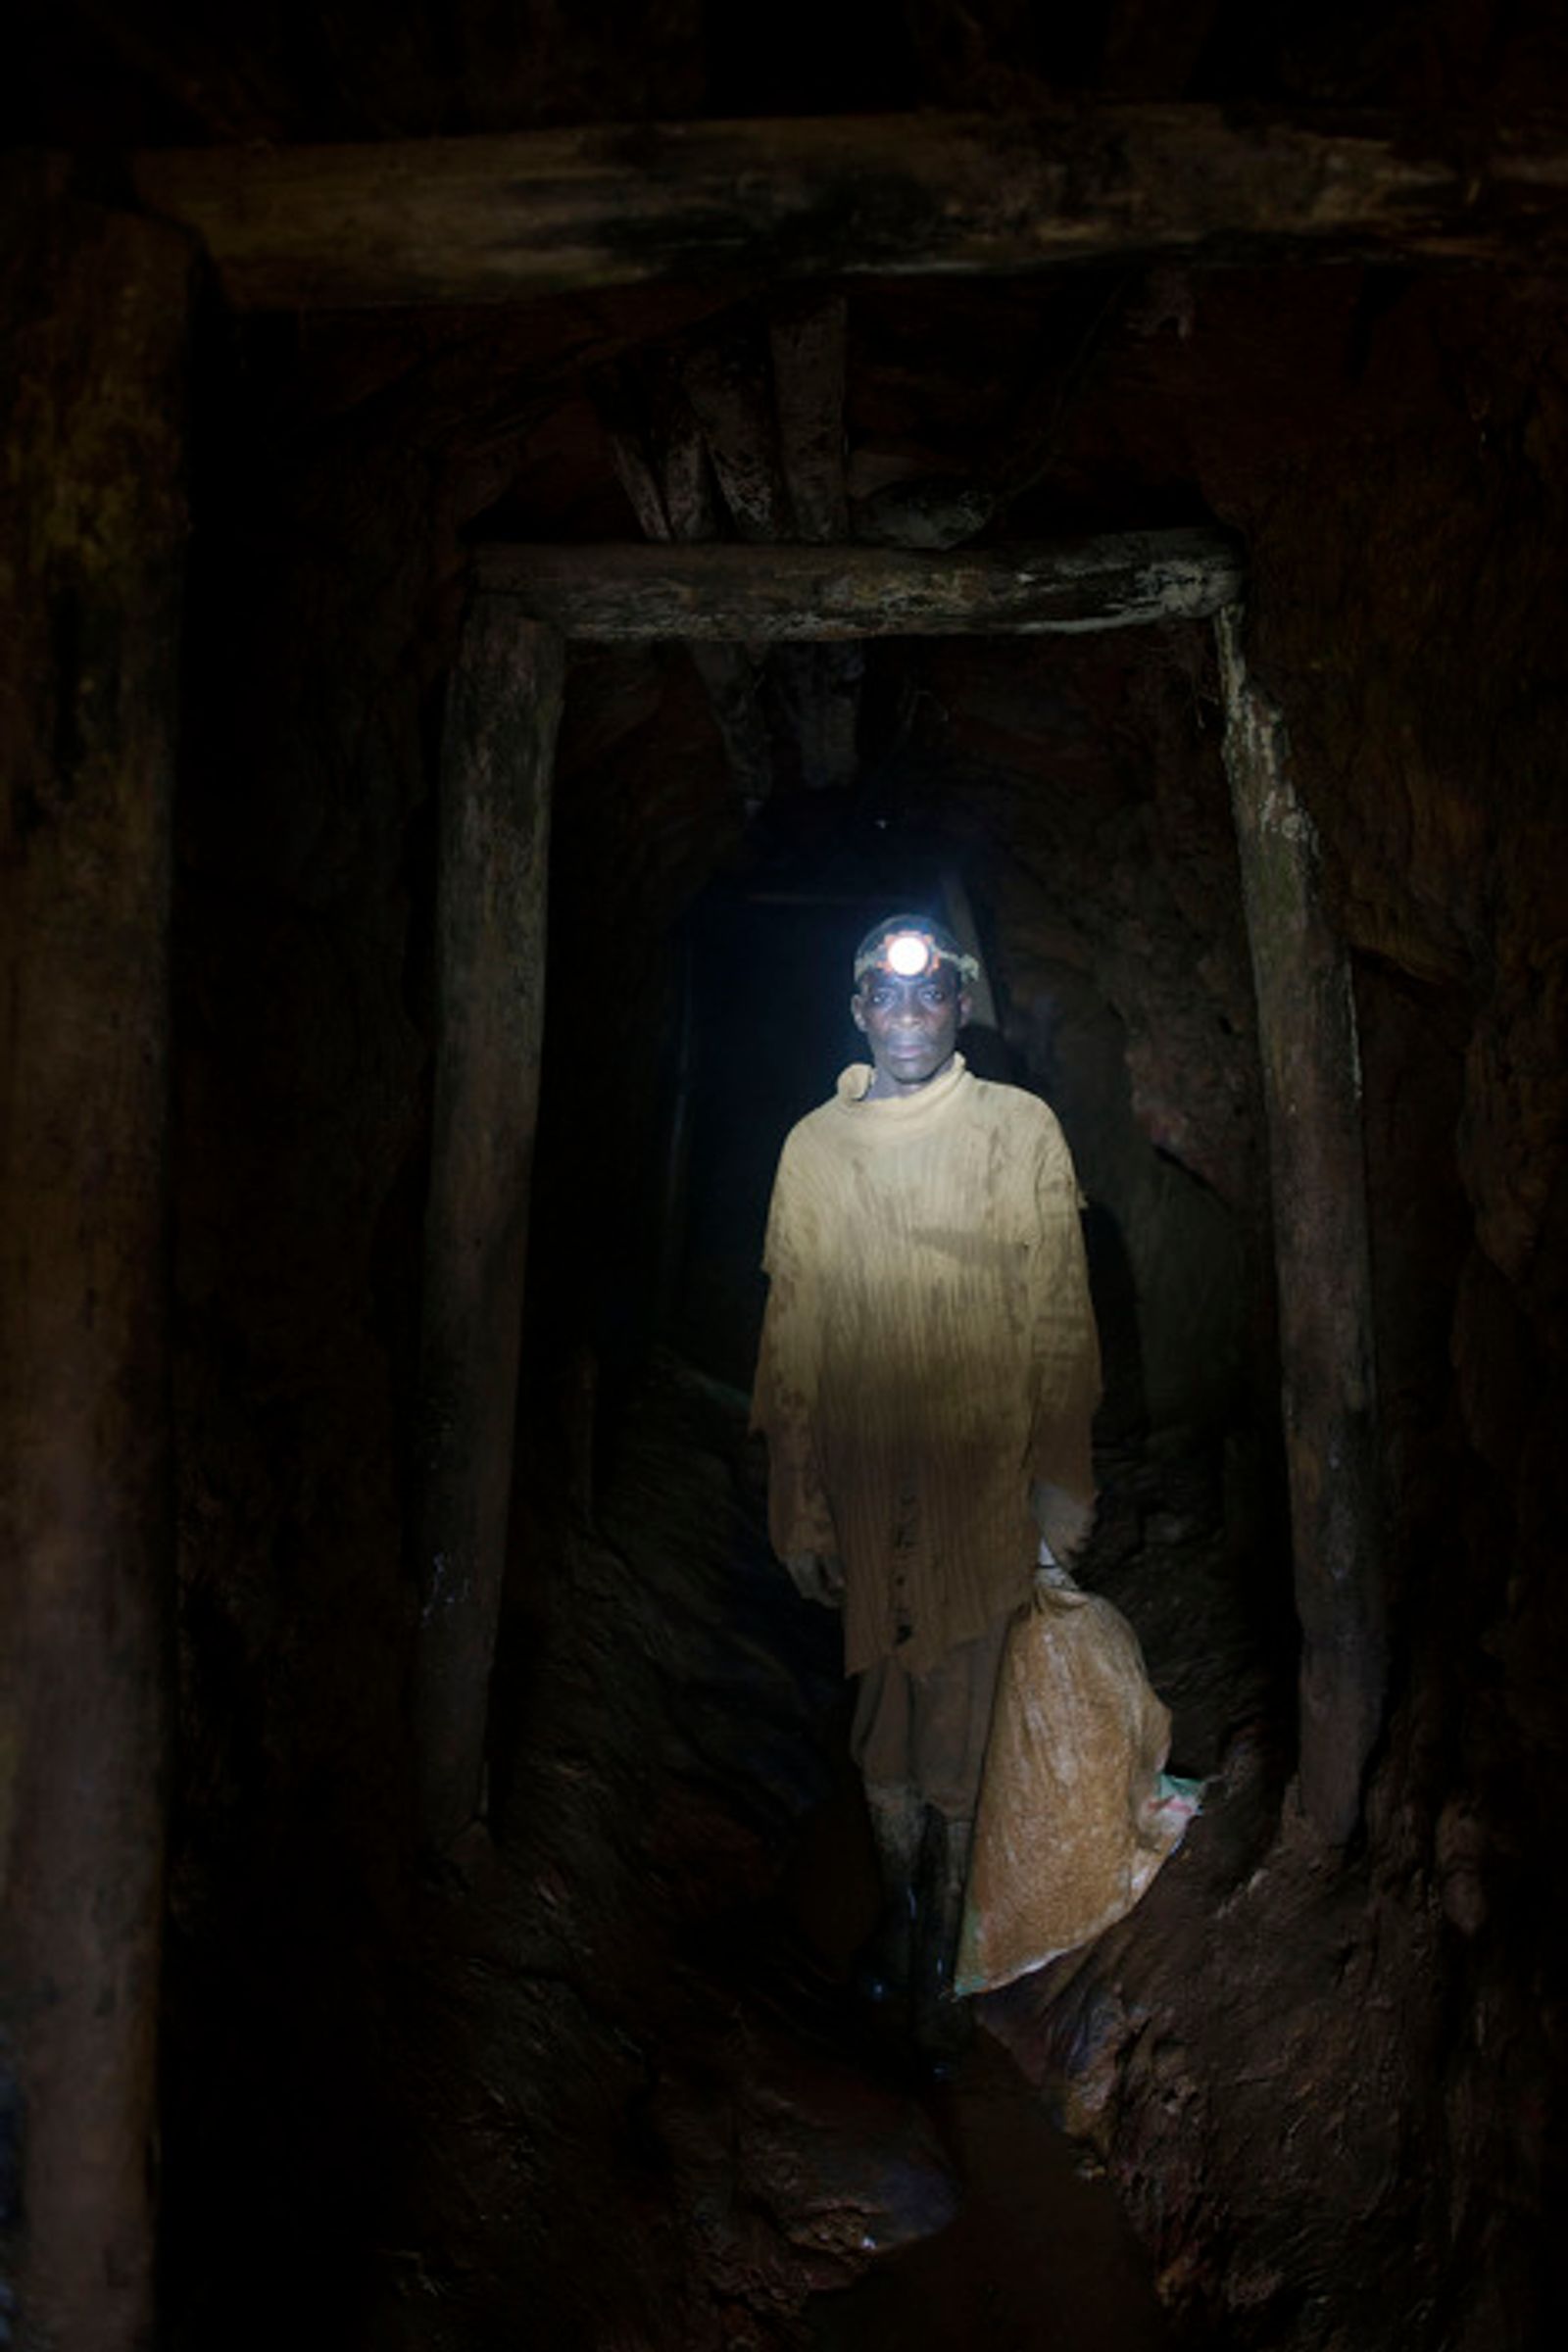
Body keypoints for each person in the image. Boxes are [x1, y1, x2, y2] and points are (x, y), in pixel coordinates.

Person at [751, 913, 1102, 2054]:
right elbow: (790, 1335)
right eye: (885, 998)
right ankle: (903, 1924)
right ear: (858, 1010)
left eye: (930, 994)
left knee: (958, 1731)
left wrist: (1061, 1485)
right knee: (882, 1729)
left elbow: (1059, 1321)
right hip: (865, 1492)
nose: (907, 1015)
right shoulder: (816, 1148)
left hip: (977, 1485)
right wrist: (795, 1501)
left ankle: (942, 1971)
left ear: (960, 1006)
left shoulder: (1018, 1130)